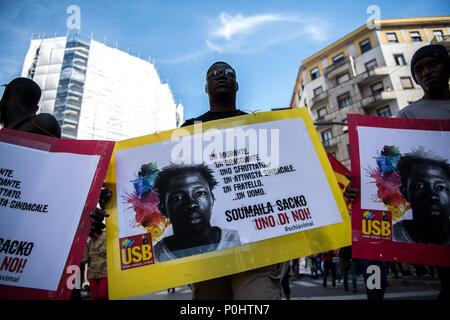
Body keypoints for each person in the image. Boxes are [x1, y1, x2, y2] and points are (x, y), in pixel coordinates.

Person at [183, 62, 283, 300]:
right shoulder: (188, 129)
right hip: (208, 251)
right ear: (206, 87)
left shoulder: (260, 125)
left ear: (236, 85)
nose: (221, 76)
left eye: (228, 73)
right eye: (214, 74)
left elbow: (282, 176)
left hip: (257, 246)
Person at [152, 163, 241, 262]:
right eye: (177, 198)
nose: (191, 204)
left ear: (212, 198)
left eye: (199, 193)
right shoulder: (155, 258)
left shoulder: (238, 240)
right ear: (163, 209)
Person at [393, 149, 450, 245]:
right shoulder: (392, 236)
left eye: (440, 187)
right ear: (405, 192)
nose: (432, 196)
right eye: (418, 186)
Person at [82, 231, 108, 300]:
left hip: (106, 273)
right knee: (94, 297)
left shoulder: (107, 237)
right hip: (93, 274)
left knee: (102, 295)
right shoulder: (90, 241)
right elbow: (86, 259)